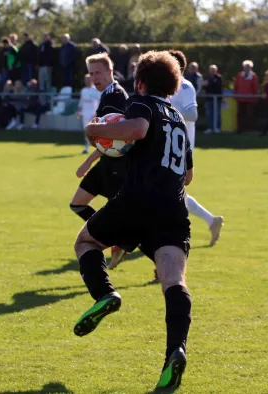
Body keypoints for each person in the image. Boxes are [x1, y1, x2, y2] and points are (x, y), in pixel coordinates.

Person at [76, 50, 193, 390]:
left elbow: (138, 129)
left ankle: (104, 294)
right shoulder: (178, 120)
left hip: (138, 200)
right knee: (174, 281)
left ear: (140, 83)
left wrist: (94, 128)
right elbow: (187, 176)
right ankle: (176, 350)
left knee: (86, 241)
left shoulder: (142, 103)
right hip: (173, 209)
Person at [70, 53, 128, 261]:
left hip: (116, 166)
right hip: (107, 163)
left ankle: (161, 261)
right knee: (78, 204)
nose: (95, 78)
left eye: (99, 73)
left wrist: (87, 160)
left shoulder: (115, 97)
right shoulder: (109, 94)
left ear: (110, 72)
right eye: (91, 73)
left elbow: (112, 139)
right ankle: (115, 239)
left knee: (129, 218)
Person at [168, 50, 223, 248]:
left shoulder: (185, 87)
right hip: (167, 147)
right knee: (172, 192)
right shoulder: (163, 86)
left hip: (181, 148)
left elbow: (192, 114)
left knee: (169, 192)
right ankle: (211, 220)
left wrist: (167, 110)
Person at [76, 74, 100, 153]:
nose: (87, 81)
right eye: (86, 80)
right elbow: (81, 102)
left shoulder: (96, 90)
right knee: (86, 132)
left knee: (95, 132)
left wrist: (96, 113)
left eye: (88, 80)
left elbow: (99, 102)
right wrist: (78, 111)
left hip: (93, 114)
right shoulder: (83, 91)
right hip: (84, 114)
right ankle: (86, 148)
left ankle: (100, 147)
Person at [234, 60, 259, 133]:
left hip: (249, 99)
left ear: (251, 68)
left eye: (248, 67)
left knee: (249, 115)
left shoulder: (253, 76)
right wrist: (235, 94)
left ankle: (248, 129)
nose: (246, 68)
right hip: (240, 98)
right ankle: (240, 129)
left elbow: (255, 87)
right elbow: (236, 85)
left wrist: (255, 97)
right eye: (245, 67)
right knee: (240, 114)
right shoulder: (239, 75)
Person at [203, 64, 222, 133]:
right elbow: (204, 86)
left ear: (216, 71)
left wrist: (209, 83)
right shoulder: (206, 77)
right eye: (211, 70)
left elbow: (217, 86)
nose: (212, 71)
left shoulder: (219, 77)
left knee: (217, 114)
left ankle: (217, 128)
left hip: (217, 99)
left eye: (214, 70)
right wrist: (208, 83)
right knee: (209, 114)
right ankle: (210, 128)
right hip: (208, 99)